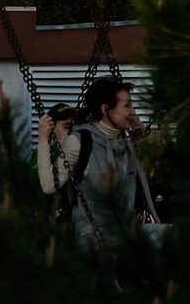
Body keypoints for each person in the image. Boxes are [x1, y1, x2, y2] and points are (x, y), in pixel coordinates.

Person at [38, 71, 159, 247]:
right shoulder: (81, 140)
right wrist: (43, 139)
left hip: (125, 237)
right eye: (127, 105)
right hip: (93, 241)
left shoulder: (124, 141)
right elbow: (50, 185)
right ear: (105, 110)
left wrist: (142, 137)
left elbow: (149, 174)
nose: (132, 111)